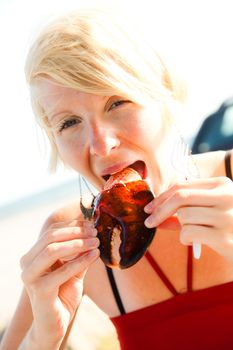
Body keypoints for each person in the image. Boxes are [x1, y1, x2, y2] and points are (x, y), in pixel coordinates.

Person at [1, 7, 233, 350]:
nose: (100, 145)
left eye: (118, 102)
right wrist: (44, 337)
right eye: (68, 123)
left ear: (166, 94)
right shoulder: (71, 241)